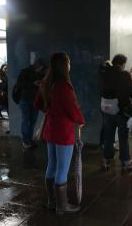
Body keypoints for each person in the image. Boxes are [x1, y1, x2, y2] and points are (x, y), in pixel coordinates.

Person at [35, 52, 84, 214]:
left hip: (50, 130)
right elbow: (73, 109)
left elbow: (39, 105)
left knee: (52, 165)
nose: (70, 65)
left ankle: (52, 202)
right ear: (64, 66)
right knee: (62, 168)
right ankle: (62, 207)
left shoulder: (46, 83)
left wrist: (52, 109)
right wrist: (81, 120)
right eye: (68, 62)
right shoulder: (64, 86)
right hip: (64, 132)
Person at [101, 54, 132, 171]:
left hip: (106, 109)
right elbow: (131, 92)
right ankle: (126, 162)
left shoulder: (105, 73)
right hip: (121, 111)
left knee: (108, 136)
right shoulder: (124, 75)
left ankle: (106, 161)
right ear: (122, 64)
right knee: (123, 137)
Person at [16, 59, 46, 148]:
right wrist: (33, 84)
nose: (41, 70)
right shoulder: (25, 72)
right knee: (26, 120)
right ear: (37, 66)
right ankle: (25, 141)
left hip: (34, 100)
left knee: (32, 121)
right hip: (25, 99)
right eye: (40, 68)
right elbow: (19, 84)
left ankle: (29, 139)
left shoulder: (41, 74)